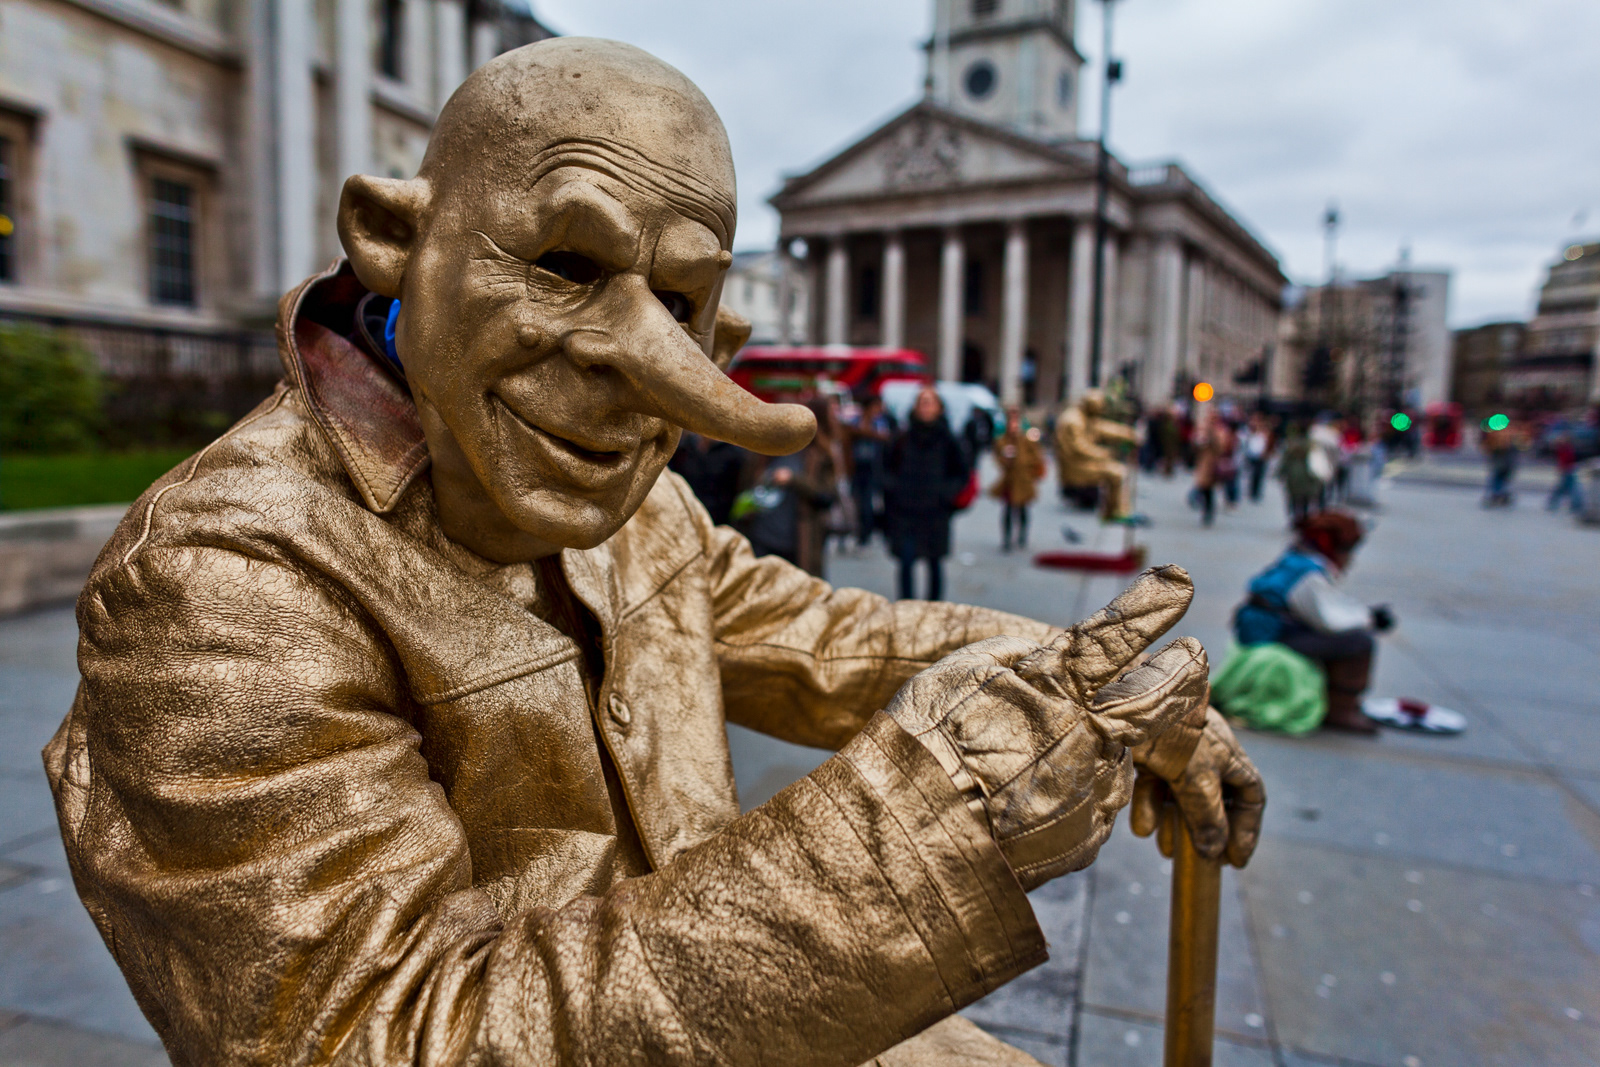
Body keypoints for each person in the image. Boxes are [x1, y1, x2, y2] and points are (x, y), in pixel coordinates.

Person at [42, 39, 1262, 1067]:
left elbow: (834, 640)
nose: (635, 361)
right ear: (394, 239)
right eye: (566, 264)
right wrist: (914, 833)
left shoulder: (641, 506)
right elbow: (370, 1029)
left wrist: (1089, 683)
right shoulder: (222, 582)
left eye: (679, 307)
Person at [1230, 510, 1392, 733]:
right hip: (1273, 635)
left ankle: (1339, 702)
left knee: (1350, 635)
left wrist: (1363, 614)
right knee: (1359, 642)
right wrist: (1369, 620)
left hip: (1265, 629)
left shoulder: (1296, 560)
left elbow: (1322, 607)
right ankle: (1341, 709)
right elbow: (1327, 620)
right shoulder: (1309, 572)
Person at [884, 385, 970, 599]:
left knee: (934, 564)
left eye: (930, 401)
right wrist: (894, 490)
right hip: (905, 512)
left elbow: (962, 473)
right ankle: (905, 607)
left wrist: (946, 495)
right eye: (922, 401)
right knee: (905, 562)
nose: (925, 406)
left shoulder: (949, 439)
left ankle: (934, 609)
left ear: (939, 408)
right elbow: (885, 468)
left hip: (935, 512)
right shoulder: (902, 437)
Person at [735, 401, 838, 576]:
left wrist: (793, 479)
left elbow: (827, 496)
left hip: (798, 544)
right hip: (761, 538)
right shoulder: (761, 452)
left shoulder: (818, 456)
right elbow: (743, 488)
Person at [1054, 390, 1136, 519]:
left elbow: (1102, 427)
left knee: (1118, 470)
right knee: (1117, 472)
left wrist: (1127, 433)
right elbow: (1079, 448)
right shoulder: (1073, 421)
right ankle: (1116, 512)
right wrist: (1104, 454)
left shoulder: (1085, 416)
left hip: (1082, 461)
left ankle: (1113, 510)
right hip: (1075, 465)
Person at [991, 407, 1046, 552]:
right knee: (1008, 510)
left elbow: (1036, 456)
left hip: (1024, 480)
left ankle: (1022, 535)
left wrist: (1028, 467)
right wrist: (1006, 458)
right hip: (1010, 480)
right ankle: (1007, 539)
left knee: (1022, 509)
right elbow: (998, 458)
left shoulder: (1027, 439)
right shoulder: (1003, 439)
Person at [846, 392, 895, 545]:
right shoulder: (857, 419)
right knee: (856, 499)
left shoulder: (880, 421)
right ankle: (858, 530)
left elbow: (884, 436)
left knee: (868, 501)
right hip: (856, 466)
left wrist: (865, 432)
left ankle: (866, 532)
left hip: (873, 467)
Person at [668, 431, 745, 525]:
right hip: (678, 508)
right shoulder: (686, 445)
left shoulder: (732, 454)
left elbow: (730, 495)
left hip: (709, 518)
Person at [1276, 423, 1322, 524]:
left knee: (1294, 497)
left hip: (1294, 473)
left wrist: (1280, 473)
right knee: (1306, 498)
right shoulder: (1312, 445)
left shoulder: (1292, 444)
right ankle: (1304, 518)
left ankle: (1295, 517)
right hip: (1308, 474)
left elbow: (1285, 460)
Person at [1483, 420, 1518, 507]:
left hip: (1500, 463)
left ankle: (1497, 495)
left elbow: (1489, 450)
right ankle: (1501, 495)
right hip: (1508, 464)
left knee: (1496, 480)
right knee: (1502, 480)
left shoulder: (1495, 436)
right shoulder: (1511, 436)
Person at [1546, 431, 1583, 513]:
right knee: (1568, 489)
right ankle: (1575, 505)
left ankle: (1575, 505)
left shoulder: (1567, 449)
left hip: (1569, 471)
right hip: (1567, 471)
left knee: (1566, 489)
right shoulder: (1562, 449)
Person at [1243, 413, 1273, 504]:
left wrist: (1266, 453)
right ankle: (1252, 491)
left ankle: (1256, 492)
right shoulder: (1251, 431)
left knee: (1259, 475)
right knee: (1252, 474)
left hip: (1261, 456)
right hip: (1252, 455)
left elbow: (1269, 444)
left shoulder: (1265, 433)